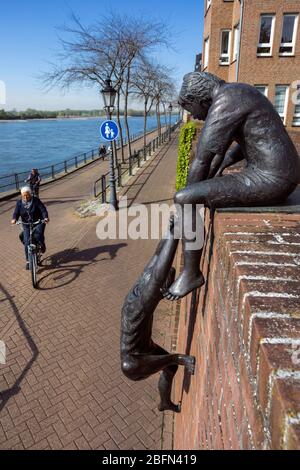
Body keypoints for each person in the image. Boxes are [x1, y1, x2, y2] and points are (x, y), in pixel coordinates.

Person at [162, 71, 300, 300]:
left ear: (199, 99)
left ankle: (191, 273)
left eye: (193, 111)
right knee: (193, 194)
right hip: (283, 174)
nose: (196, 118)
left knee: (184, 199)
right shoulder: (239, 91)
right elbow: (251, 138)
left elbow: (201, 159)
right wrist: (223, 165)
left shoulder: (225, 100)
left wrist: (186, 200)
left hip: (272, 179)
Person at [121, 216, 195, 412]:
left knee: (170, 368)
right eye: (166, 287)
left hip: (146, 348)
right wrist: (178, 230)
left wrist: (170, 231)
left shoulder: (140, 285)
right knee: (135, 364)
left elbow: (157, 256)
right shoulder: (141, 302)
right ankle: (178, 357)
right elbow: (159, 274)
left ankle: (164, 403)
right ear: (158, 290)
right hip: (134, 363)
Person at [11, 186, 49, 270]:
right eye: (23, 196)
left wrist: (45, 217)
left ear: (30, 194)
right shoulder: (19, 203)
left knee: (38, 235)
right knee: (27, 240)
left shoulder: (36, 201)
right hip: (26, 224)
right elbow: (16, 213)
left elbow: (43, 210)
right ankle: (28, 261)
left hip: (38, 222)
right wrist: (14, 219)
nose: (25, 197)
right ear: (21, 195)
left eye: (27, 195)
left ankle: (42, 245)